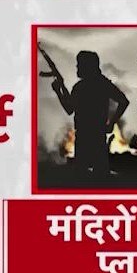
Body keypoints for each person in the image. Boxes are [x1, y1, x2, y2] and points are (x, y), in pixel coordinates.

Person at [50, 49, 128, 185]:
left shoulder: (81, 87)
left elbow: (69, 109)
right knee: (99, 176)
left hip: (87, 136)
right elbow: (124, 101)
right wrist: (60, 89)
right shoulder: (101, 84)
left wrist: (58, 91)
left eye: (79, 64)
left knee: (83, 177)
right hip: (95, 135)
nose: (77, 67)